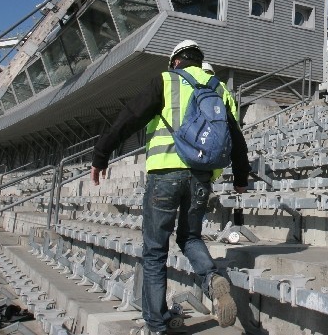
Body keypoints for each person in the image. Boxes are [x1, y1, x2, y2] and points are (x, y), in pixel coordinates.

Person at [91, 39, 250, 335]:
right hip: (201, 177)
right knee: (190, 237)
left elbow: (128, 119)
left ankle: (156, 323)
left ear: (176, 61)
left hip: (164, 173)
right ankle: (212, 279)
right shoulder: (219, 88)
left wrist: (101, 154)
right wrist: (241, 178)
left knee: (154, 250)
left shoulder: (165, 81)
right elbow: (236, 139)